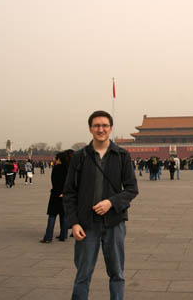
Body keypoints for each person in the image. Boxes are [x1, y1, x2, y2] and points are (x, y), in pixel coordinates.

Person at [63, 110, 138, 300]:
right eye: (96, 125)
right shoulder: (80, 157)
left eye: (104, 125)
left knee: (117, 274)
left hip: (114, 223)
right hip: (86, 225)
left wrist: (111, 202)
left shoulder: (121, 155)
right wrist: (74, 223)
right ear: (90, 129)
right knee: (82, 274)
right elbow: (69, 192)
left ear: (111, 128)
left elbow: (131, 189)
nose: (101, 129)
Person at [41, 152, 70, 243]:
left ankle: (48, 237)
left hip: (56, 195)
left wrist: (59, 192)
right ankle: (63, 235)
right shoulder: (68, 168)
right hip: (66, 194)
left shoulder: (57, 168)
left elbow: (54, 181)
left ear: (59, 159)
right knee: (63, 215)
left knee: (52, 216)